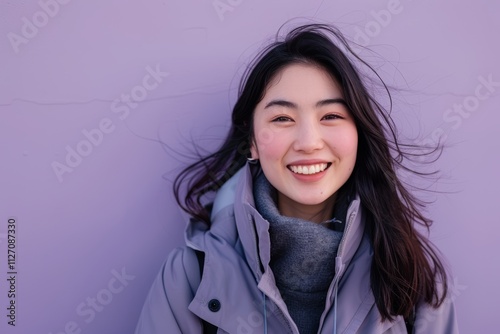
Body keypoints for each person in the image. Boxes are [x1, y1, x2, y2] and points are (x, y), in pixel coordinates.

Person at [135, 24, 458, 333]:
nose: (308, 141)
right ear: (252, 141)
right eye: (282, 118)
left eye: (331, 116)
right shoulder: (191, 276)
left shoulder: (411, 277)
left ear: (358, 131)